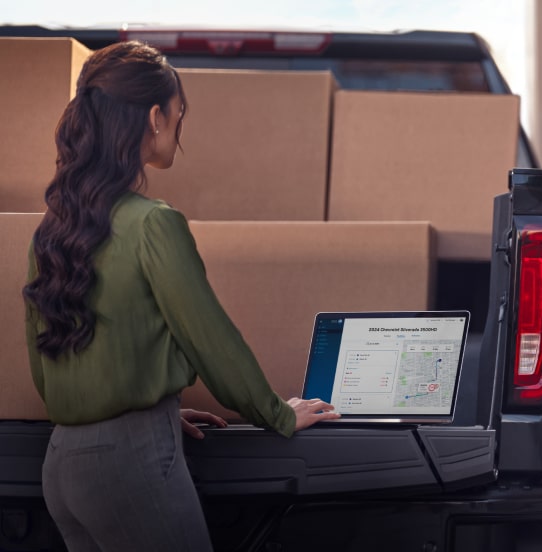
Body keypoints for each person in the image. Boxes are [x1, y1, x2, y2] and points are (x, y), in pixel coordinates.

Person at [22, 41, 341, 552]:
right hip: (128, 467)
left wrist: (153, 410)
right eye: (179, 114)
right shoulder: (154, 223)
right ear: (154, 117)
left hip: (62, 465)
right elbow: (210, 339)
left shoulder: (54, 230)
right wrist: (277, 414)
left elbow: (47, 367)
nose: (179, 127)